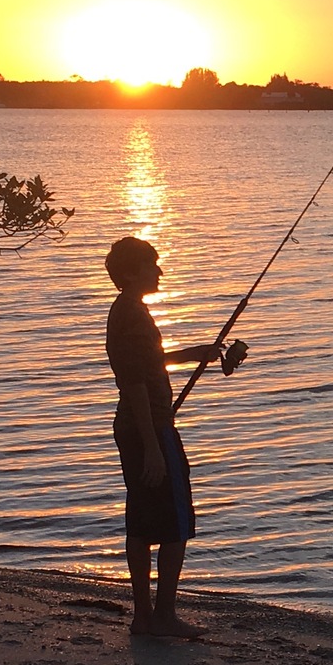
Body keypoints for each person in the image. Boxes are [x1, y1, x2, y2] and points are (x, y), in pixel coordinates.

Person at [104, 235, 221, 638]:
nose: (160, 271)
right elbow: (134, 380)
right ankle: (164, 616)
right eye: (153, 264)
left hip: (134, 427)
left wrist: (195, 354)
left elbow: (147, 361)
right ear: (133, 272)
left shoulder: (126, 311)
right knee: (175, 521)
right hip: (148, 429)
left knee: (140, 519)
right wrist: (153, 446)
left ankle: (143, 618)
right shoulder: (132, 315)